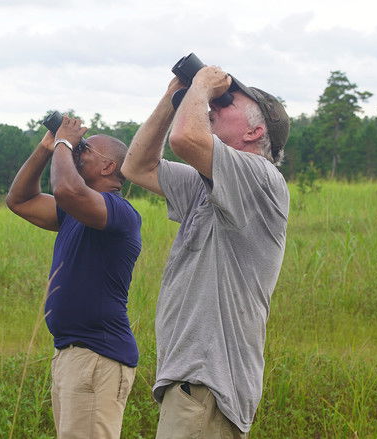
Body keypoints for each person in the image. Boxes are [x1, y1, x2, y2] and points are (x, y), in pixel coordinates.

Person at [120, 65, 290, 438]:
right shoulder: (206, 184)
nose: (213, 104)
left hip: (208, 381)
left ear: (255, 131)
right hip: (192, 381)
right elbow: (136, 166)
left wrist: (200, 85)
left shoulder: (261, 178)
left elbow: (185, 139)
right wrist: (171, 97)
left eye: (226, 102)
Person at [6, 115, 142, 439]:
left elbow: (67, 189)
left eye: (86, 150)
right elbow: (19, 200)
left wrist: (66, 143)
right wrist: (47, 147)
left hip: (97, 356)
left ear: (109, 168)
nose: (79, 152)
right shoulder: (73, 213)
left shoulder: (119, 213)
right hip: (70, 354)